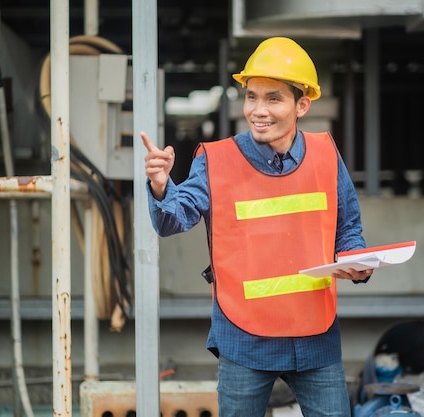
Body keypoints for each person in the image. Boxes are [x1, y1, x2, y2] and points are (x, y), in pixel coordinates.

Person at [141, 36, 373, 417]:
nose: (258, 110)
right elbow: (172, 219)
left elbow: (348, 231)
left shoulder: (325, 154)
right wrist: (162, 185)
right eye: (252, 96)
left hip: (315, 333)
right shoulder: (215, 161)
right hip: (244, 337)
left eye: (273, 98)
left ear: (302, 104)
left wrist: (357, 262)